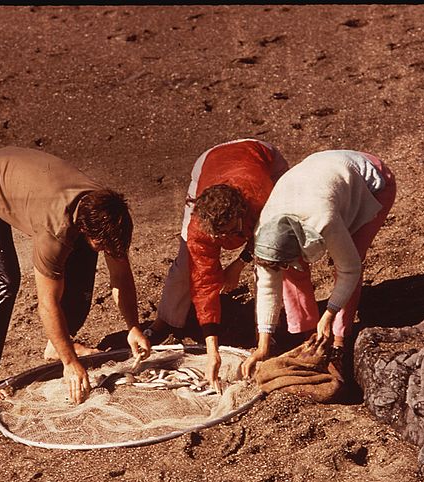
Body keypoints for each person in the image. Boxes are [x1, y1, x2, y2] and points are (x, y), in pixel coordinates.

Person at [0, 146, 151, 404]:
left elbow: (121, 276)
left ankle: (57, 344)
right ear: (83, 227)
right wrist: (70, 363)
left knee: (84, 257)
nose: (106, 251)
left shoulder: (107, 214)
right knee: (5, 279)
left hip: (26, 180)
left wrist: (133, 327)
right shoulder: (55, 231)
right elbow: (48, 303)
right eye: (101, 244)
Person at [145, 138, 317, 391]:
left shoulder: (260, 198)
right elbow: (203, 282)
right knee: (186, 264)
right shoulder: (200, 227)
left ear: (240, 215)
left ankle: (302, 330)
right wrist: (212, 350)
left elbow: (266, 239)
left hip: (259, 155)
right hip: (209, 162)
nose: (221, 242)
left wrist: (237, 265)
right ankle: (165, 321)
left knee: (285, 256)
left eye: (227, 233)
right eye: (216, 236)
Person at [240, 149, 397, 378]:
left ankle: (338, 343)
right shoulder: (265, 230)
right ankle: (307, 334)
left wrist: (329, 313)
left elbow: (350, 270)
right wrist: (263, 344)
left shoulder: (324, 219)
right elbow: (267, 285)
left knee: (349, 257)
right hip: (317, 179)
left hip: (371, 181)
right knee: (290, 273)